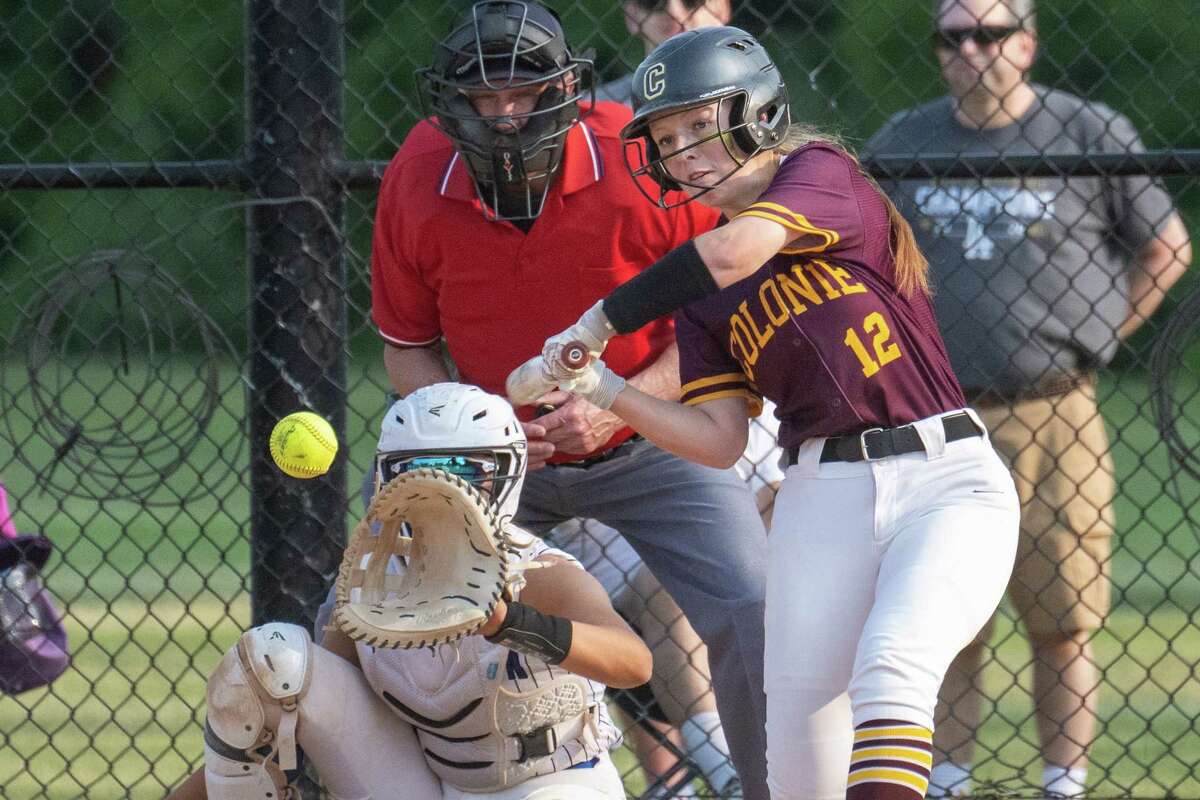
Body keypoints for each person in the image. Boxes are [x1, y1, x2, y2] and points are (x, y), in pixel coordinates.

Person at [511, 25, 1023, 800]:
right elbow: (718, 443)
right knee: (800, 755)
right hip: (821, 496)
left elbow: (736, 252)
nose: (682, 152)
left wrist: (595, 327)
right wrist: (605, 392)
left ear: (756, 111)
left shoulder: (819, 173)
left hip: (942, 476)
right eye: (667, 138)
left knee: (892, 664)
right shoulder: (701, 294)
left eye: (698, 124)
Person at [370, 3, 770, 797]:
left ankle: (776, 786)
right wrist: (474, 432)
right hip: (490, 460)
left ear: (568, 90)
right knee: (380, 612)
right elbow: (407, 347)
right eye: (484, 99)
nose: (506, 115)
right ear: (449, 103)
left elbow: (721, 318)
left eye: (525, 92)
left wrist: (620, 402)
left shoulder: (635, 157)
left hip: (647, 439)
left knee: (754, 610)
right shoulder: (417, 174)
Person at [865, 1, 1192, 795]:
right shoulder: (903, 141)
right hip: (933, 414)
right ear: (940, 49)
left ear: (1029, 43)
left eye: (992, 33)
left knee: (1064, 619)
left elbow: (1167, 246)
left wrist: (1098, 336)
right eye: (955, 36)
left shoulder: (1087, 132)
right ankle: (943, 781)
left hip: (1053, 408)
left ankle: (1062, 784)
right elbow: (858, 265)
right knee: (942, 620)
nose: (973, 49)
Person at [166, 383, 653, 800]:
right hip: (426, 782)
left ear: (507, 474)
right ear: (385, 477)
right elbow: (289, 708)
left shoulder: (536, 569)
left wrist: (509, 623)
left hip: (549, 780)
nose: (439, 487)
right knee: (274, 660)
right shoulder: (371, 576)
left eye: (463, 469)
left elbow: (634, 663)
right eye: (415, 470)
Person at [597, 0, 732, 105]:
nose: (674, 13)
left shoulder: (751, 92)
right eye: (655, 2)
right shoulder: (595, 109)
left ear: (721, 7)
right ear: (632, 16)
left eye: (691, 1)